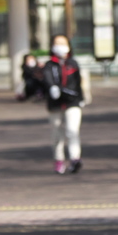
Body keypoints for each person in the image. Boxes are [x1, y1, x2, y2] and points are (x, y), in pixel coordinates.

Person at [43, 35, 84, 175]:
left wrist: (81, 97)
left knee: (72, 131)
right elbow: (47, 80)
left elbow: (78, 83)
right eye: (57, 43)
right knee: (56, 132)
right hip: (55, 104)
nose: (60, 46)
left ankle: (75, 159)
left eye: (63, 43)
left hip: (73, 102)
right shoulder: (49, 65)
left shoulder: (73, 63)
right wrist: (52, 88)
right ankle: (59, 160)